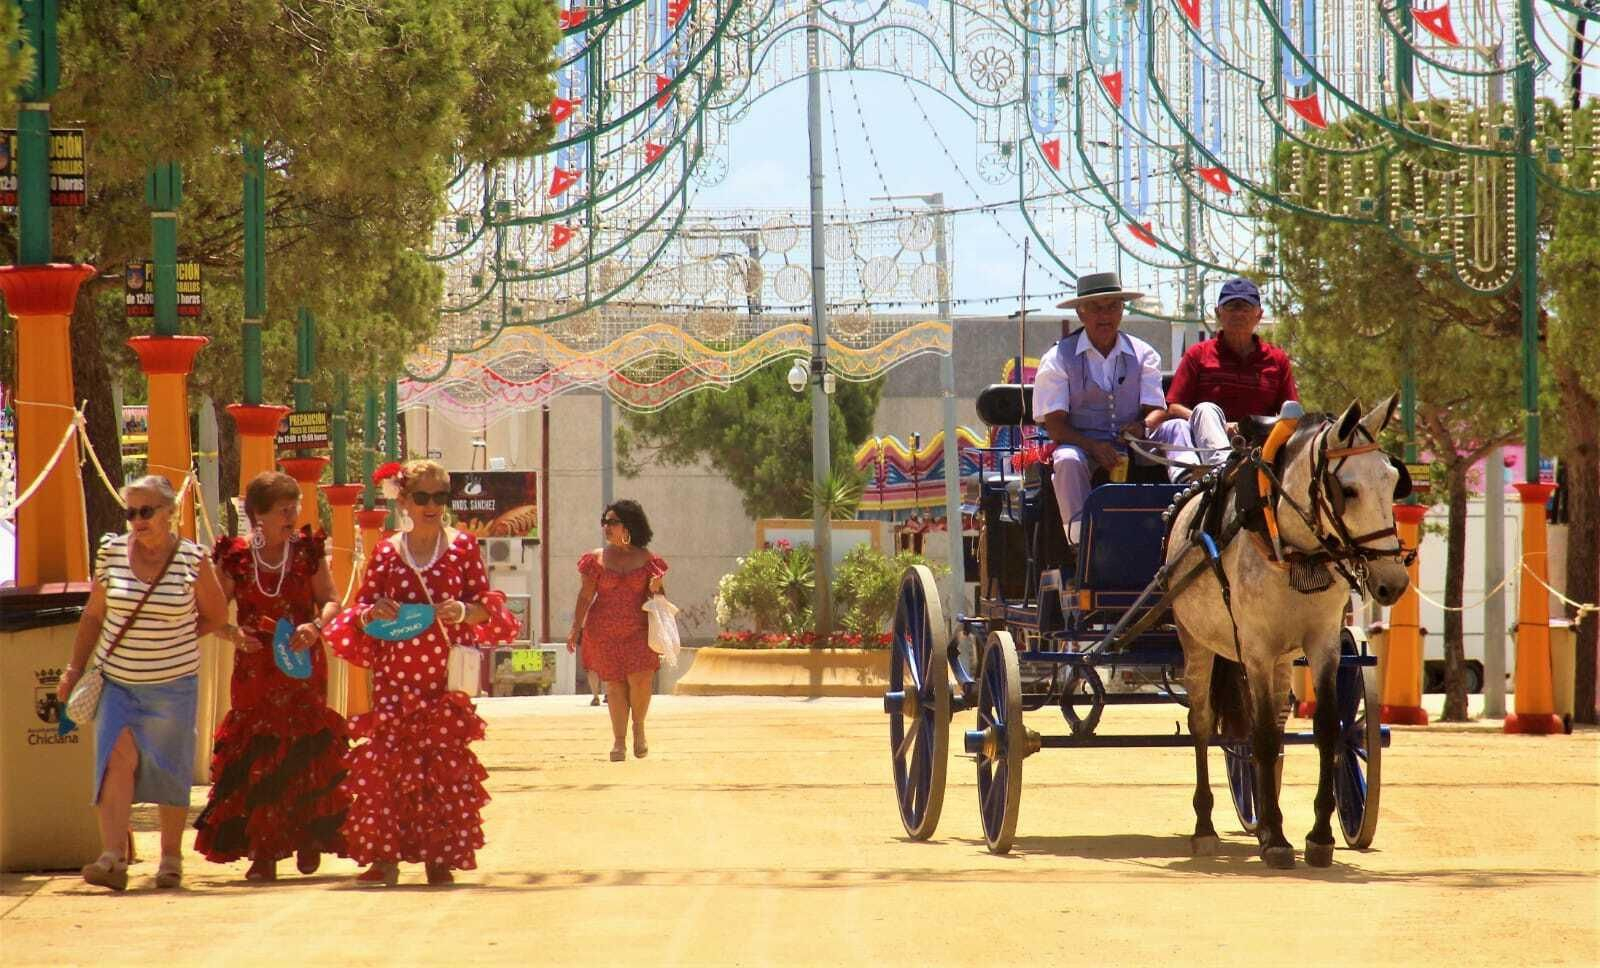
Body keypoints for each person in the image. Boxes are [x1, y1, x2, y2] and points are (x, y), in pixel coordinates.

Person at [323, 459, 520, 886]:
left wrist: (465, 610)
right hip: (394, 678)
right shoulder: (387, 550)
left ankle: (440, 855)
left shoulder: (464, 547)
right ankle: (384, 857)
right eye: (424, 497)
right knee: (388, 766)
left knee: (443, 767)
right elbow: (361, 609)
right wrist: (375, 610)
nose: (434, 505)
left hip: (442, 681)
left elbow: (486, 604)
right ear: (406, 501)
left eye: (442, 497)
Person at [56, 475, 234, 892]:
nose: (137, 520)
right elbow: (94, 615)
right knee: (115, 762)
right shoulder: (112, 553)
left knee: (169, 766)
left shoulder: (193, 559)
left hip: (173, 682)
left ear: (171, 513)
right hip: (116, 680)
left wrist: (173, 639)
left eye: (146, 511)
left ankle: (170, 859)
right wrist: (73, 670)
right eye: (131, 512)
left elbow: (216, 616)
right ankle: (113, 856)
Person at [192, 472, 350, 882]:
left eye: (295, 507)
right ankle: (264, 850)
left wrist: (316, 628)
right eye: (283, 509)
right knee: (258, 752)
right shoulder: (236, 557)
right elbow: (210, 611)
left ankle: (309, 838)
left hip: (301, 665)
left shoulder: (307, 553)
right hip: (256, 667)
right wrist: (232, 634)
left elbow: (331, 600)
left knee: (305, 746)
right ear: (257, 515)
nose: (292, 516)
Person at [1033, 272, 1170, 544]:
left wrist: (1141, 426)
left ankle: (1192, 498)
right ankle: (1080, 541)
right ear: (1081, 314)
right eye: (1095, 308)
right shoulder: (1057, 358)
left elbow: (1157, 408)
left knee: (1175, 427)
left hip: (1135, 445)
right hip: (1083, 446)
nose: (1104, 315)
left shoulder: (1144, 353)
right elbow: (1055, 426)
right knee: (1067, 459)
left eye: (1111, 307)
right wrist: (1093, 446)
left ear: (1122, 310)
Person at [1158, 277, 1299, 479]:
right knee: (1205, 410)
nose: (1239, 313)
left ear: (1259, 315)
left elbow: (1291, 416)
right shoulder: (1198, 354)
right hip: (1205, 450)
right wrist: (1217, 426)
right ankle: (1224, 473)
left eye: (1246, 307)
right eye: (1232, 307)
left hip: (1261, 453)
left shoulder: (1277, 360)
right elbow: (1173, 407)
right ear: (1218, 313)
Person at [566, 500, 667, 761]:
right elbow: (585, 596)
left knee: (640, 681)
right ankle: (619, 742)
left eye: (612, 522)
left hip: (639, 631)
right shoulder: (596, 559)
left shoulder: (648, 560)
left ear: (628, 525)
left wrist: (656, 587)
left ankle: (639, 729)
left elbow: (659, 599)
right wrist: (575, 627)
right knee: (613, 686)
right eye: (604, 522)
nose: (606, 527)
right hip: (604, 632)